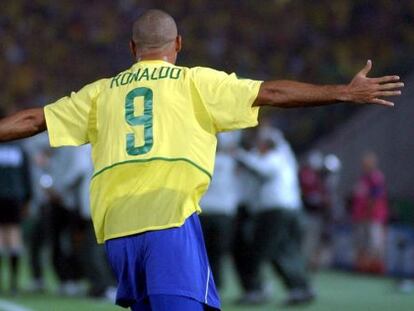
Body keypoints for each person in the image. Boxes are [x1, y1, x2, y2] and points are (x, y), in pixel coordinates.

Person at [0, 9, 404, 311]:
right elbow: (272, 94)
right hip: (168, 221)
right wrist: (343, 92)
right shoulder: (196, 82)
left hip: (117, 231)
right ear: (177, 45)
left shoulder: (99, 93)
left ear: (132, 50)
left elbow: (34, 119)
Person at [235, 127, 312, 305]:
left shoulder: (275, 157)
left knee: (259, 250)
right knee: (281, 250)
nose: (257, 147)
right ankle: (300, 287)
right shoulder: (284, 156)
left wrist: (239, 154)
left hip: (275, 211)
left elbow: (262, 169)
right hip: (284, 209)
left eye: (260, 144)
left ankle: (257, 289)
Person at [199, 132, 240, 289]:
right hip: (221, 212)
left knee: (209, 252)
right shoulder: (233, 160)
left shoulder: (201, 159)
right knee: (216, 253)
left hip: (211, 211)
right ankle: (215, 284)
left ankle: (210, 284)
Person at [0, 138, 32, 294]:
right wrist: (28, 199)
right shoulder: (19, 148)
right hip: (15, 198)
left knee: (2, 237)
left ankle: (6, 282)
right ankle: (13, 283)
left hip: (6, 197)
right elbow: (27, 175)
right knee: (14, 236)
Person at [352, 152, 389, 274]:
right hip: (361, 216)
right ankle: (362, 268)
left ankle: (376, 269)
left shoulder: (376, 178)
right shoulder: (363, 178)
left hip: (373, 217)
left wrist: (368, 213)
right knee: (361, 243)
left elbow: (375, 198)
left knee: (374, 243)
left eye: (367, 163)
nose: (364, 165)